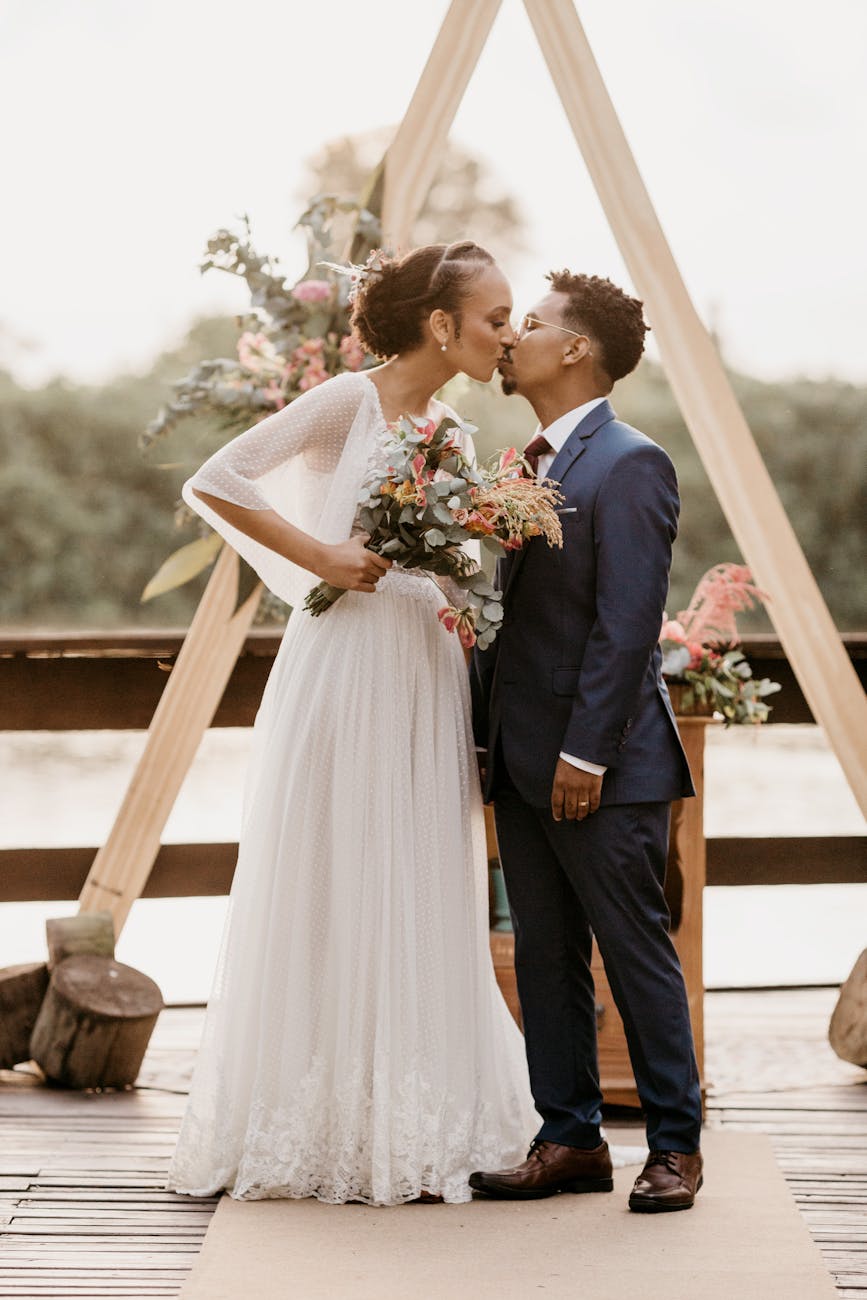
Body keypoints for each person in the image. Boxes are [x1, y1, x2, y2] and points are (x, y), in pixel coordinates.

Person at [166, 241, 540, 1206]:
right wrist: (323, 558)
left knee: (416, 869)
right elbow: (218, 478)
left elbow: (457, 555)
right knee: (336, 864)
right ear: (438, 323)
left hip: (423, 663)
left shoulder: (450, 428)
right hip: (346, 662)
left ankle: (412, 1114)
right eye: (495, 317)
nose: (506, 333)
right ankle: (316, 1117)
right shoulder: (347, 401)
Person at [469, 271, 704, 1212]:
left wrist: (585, 757)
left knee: (633, 948)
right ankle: (567, 1138)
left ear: (574, 350)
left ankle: (675, 1147)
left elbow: (625, 625)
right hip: (521, 757)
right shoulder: (525, 464)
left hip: (600, 763)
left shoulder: (631, 462)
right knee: (542, 952)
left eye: (528, 322)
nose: (512, 336)